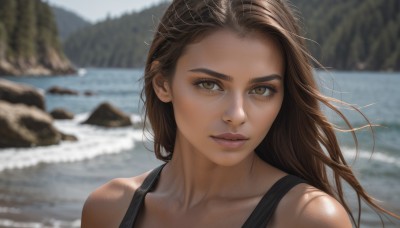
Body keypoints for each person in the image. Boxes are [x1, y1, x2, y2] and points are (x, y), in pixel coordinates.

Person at [81, 0, 399, 227]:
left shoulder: (307, 218)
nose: (237, 115)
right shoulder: (107, 209)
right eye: (209, 84)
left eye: (261, 89)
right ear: (163, 83)